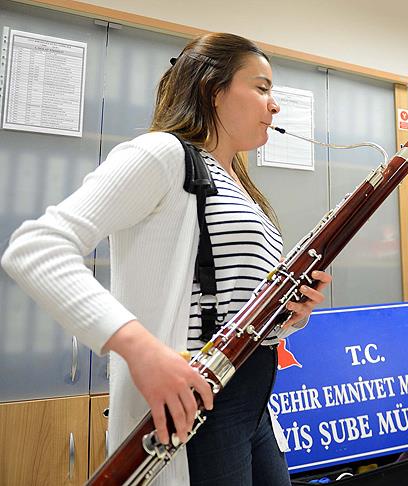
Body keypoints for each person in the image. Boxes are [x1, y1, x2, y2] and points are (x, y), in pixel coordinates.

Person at [1, 33, 331, 485]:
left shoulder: (239, 184)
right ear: (213, 90)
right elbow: (36, 247)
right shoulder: (164, 153)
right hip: (195, 404)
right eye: (261, 88)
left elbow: (229, 303)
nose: (275, 105)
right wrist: (142, 351)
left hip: (252, 404)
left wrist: (291, 315)